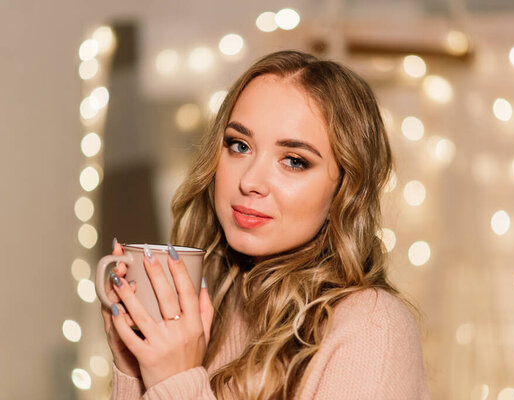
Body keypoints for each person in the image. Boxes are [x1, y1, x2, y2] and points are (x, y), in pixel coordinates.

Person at [101, 50, 432, 399]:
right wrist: (134, 370)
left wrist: (176, 381)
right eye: (239, 145)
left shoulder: (372, 328)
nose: (250, 181)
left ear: (345, 188)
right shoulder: (211, 308)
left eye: (293, 161)